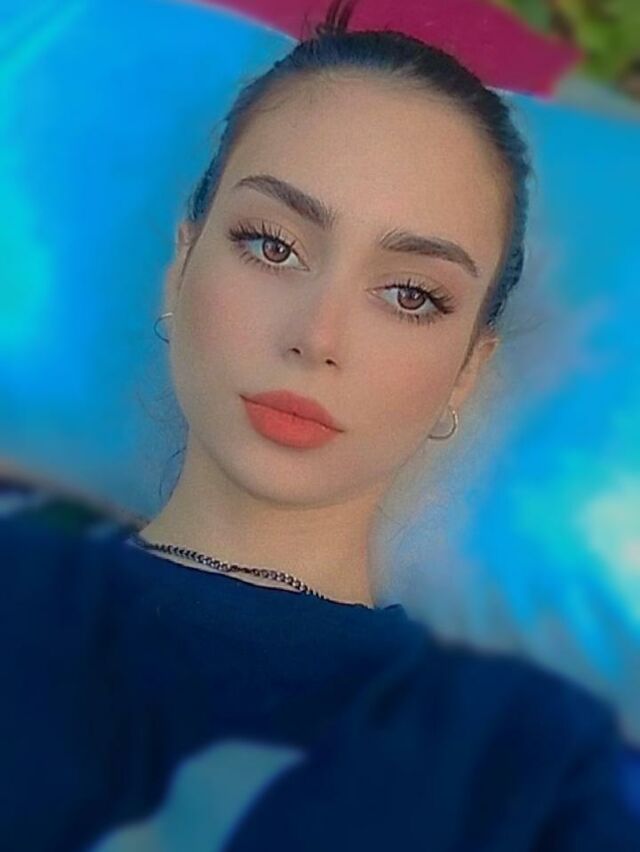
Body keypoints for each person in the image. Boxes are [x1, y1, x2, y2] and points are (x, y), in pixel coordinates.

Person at [2, 0, 639, 849]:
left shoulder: (534, 762)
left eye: (410, 294)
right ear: (180, 267)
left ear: (467, 370)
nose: (318, 336)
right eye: (273, 245)